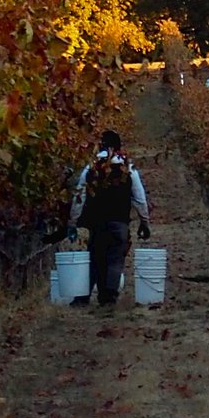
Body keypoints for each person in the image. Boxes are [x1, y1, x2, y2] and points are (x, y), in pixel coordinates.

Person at [63, 130, 151, 307]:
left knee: (95, 256)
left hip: (96, 223)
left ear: (100, 146)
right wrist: (144, 222)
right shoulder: (129, 169)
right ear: (118, 146)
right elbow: (139, 199)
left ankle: (83, 296)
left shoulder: (91, 168)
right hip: (120, 221)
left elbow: (79, 197)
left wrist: (72, 222)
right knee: (115, 258)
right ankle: (108, 296)